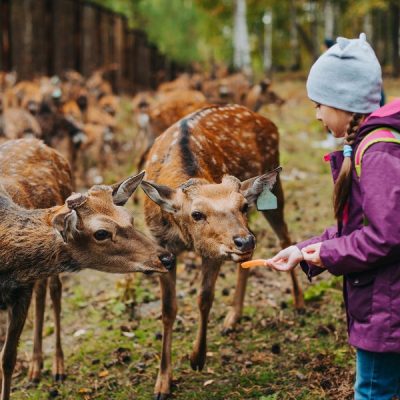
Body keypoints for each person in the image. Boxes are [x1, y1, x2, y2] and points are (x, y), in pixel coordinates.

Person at [266, 33, 400, 399]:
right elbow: (360, 227)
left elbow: (387, 236)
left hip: (387, 311)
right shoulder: (368, 147)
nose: (317, 115)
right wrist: (304, 248)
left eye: (319, 105)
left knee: (373, 391)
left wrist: (328, 254)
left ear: (343, 103)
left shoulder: (377, 152)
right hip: (385, 303)